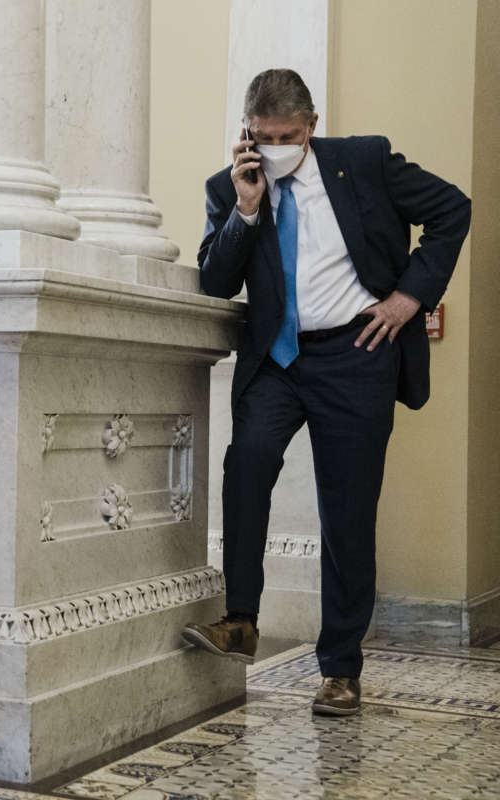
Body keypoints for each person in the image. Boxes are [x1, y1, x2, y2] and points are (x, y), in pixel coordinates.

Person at [180, 68, 471, 716]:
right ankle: (242, 619)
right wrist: (247, 209)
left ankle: (340, 670)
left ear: (310, 127)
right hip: (277, 361)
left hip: (355, 354)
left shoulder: (362, 163)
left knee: (346, 513)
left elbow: (454, 208)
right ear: (246, 135)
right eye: (262, 137)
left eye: (286, 136)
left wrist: (408, 297)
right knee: (247, 467)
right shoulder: (228, 189)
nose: (274, 146)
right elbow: (216, 282)